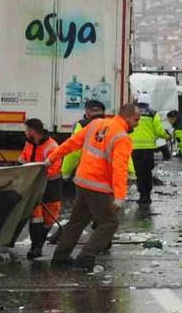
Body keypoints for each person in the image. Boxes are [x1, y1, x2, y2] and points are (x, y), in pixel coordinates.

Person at [44, 102, 139, 271]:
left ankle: (60, 257)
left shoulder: (96, 124)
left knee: (76, 222)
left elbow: (71, 143)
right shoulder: (122, 138)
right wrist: (119, 196)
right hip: (99, 187)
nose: (137, 124)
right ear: (127, 117)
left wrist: (51, 158)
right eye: (136, 120)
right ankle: (85, 258)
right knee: (109, 224)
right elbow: (120, 168)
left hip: (82, 182)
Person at [19, 117, 61, 259]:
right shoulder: (29, 144)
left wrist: (35, 176)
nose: (25, 133)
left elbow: (53, 170)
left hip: (51, 186)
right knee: (35, 217)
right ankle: (35, 247)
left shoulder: (52, 147)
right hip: (35, 186)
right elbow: (22, 160)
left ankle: (39, 243)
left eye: (26, 130)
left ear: (32, 131)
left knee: (49, 219)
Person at [129, 102, 170, 205]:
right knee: (147, 172)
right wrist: (167, 136)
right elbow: (159, 130)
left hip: (135, 148)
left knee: (139, 173)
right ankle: (147, 195)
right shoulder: (153, 113)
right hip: (148, 149)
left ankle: (142, 195)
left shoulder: (132, 113)